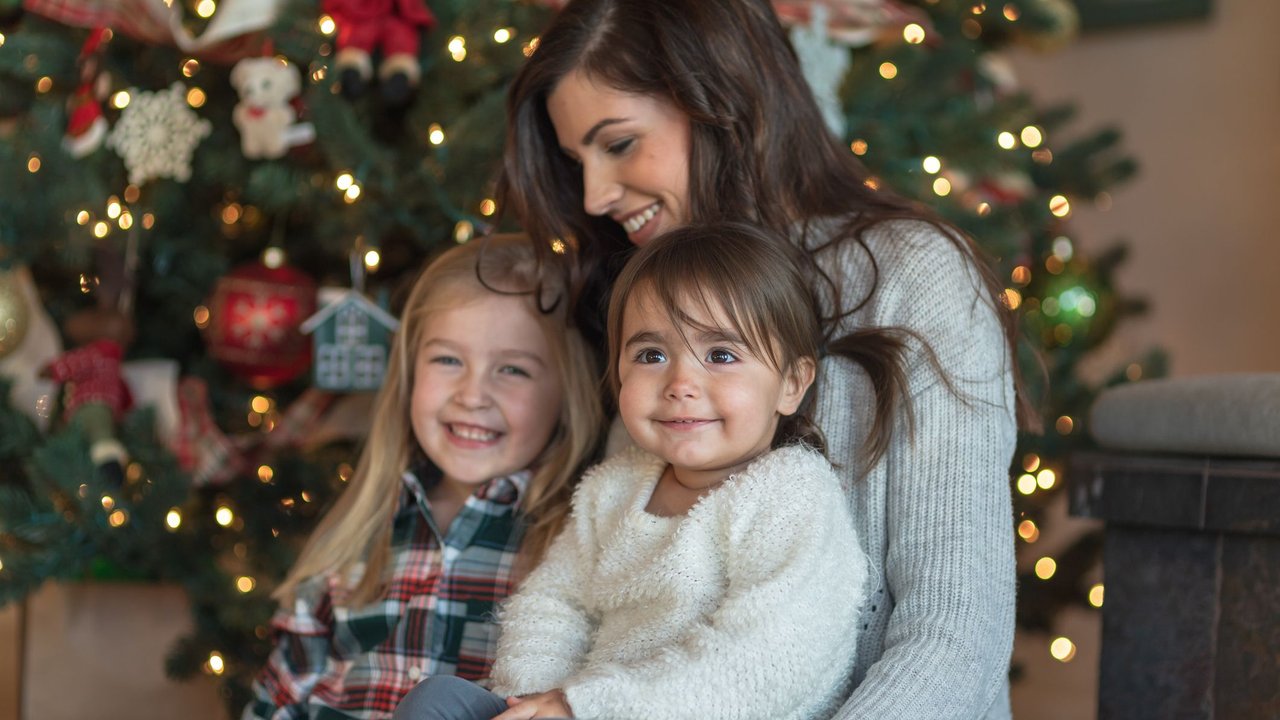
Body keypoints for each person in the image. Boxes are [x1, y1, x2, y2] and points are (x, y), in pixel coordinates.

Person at [496, 1, 1031, 717]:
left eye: (619, 144)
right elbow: (610, 606)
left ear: (721, 104)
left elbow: (954, 631)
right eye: (575, 163)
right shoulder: (649, 298)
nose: (594, 196)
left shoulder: (915, 272)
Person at [394, 222, 913, 720]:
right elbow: (556, 603)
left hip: (697, 711)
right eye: (651, 353)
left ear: (791, 384)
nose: (680, 382)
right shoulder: (613, 488)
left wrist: (589, 705)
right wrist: (532, 697)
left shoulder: (788, 495)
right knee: (437, 702)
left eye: (721, 354)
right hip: (584, 706)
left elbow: (766, 661)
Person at [243, 234, 603, 720]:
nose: (472, 394)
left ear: (568, 391)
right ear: (410, 372)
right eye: (448, 360)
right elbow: (279, 700)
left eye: (513, 369)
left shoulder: (578, 542)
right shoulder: (359, 533)